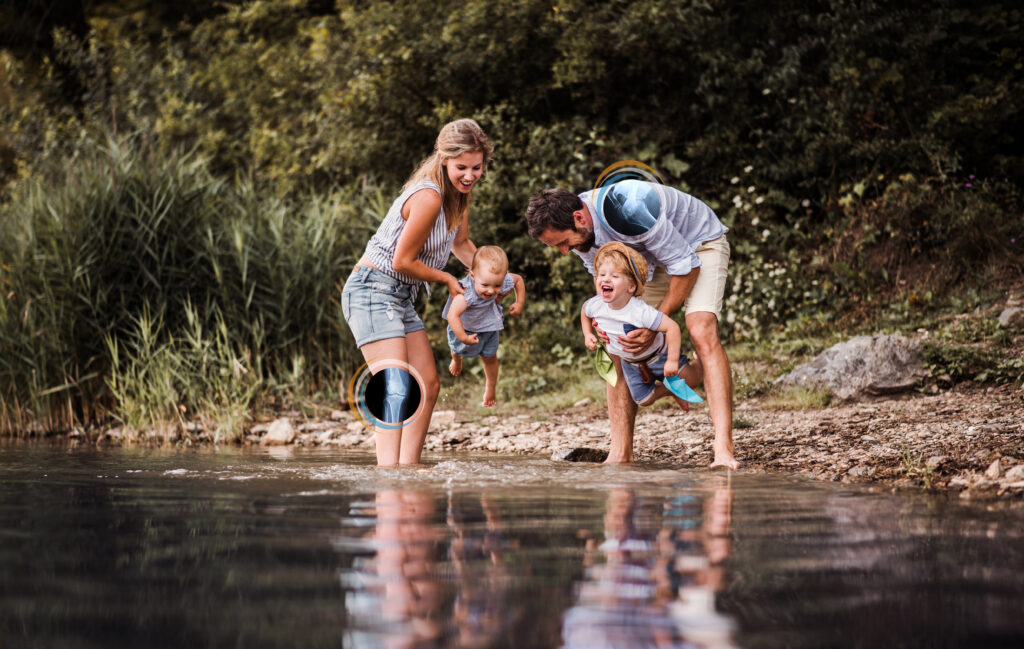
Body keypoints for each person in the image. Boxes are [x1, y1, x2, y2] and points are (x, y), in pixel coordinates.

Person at [525, 178, 739, 469]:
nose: (564, 251)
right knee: (614, 338)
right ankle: (620, 453)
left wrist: (654, 325)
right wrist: (605, 319)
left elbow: (685, 267)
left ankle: (723, 449)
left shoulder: (628, 207)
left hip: (697, 245)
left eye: (563, 243)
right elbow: (602, 279)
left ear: (579, 217)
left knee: (700, 329)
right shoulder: (579, 232)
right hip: (648, 261)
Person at [341, 118, 493, 466]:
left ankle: (406, 469)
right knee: (394, 385)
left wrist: (494, 279)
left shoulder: (458, 197)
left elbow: (462, 243)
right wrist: (448, 281)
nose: (469, 175)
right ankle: (388, 474)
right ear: (443, 158)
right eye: (461, 167)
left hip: (398, 296)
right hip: (372, 289)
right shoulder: (428, 197)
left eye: (477, 167)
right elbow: (402, 261)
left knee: (427, 382)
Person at [580, 242, 702, 411]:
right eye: (601, 274)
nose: (606, 279)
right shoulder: (595, 305)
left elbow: (671, 327)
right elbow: (584, 312)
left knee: (691, 379)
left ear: (631, 287)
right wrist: (587, 333)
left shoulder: (639, 311)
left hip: (659, 355)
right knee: (643, 399)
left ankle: (701, 360)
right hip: (631, 364)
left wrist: (672, 361)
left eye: (615, 276)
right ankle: (672, 390)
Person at [441, 245, 526, 407]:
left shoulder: (502, 279)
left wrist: (519, 302)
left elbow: (518, 280)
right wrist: (463, 337)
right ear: (472, 276)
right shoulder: (466, 293)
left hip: (489, 328)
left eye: (497, 286)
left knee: (490, 358)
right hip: (464, 328)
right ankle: (456, 359)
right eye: (485, 285)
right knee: (457, 348)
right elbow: (453, 316)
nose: (491, 291)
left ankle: (490, 387)